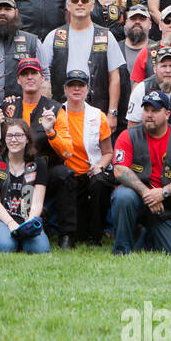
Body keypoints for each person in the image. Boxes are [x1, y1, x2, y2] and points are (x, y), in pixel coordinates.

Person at [110, 89, 171, 254]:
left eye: (155, 110)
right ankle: (122, 250)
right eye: (146, 110)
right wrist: (147, 193)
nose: (149, 115)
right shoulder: (127, 136)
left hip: (167, 206)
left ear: (167, 114)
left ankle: (144, 236)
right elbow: (119, 170)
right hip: (137, 198)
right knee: (123, 196)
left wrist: (163, 193)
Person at [41, 68, 113, 244]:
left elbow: (108, 152)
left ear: (87, 89)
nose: (76, 89)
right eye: (71, 85)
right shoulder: (56, 113)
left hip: (90, 173)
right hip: (68, 177)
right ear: (64, 89)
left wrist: (100, 167)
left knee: (100, 182)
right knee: (79, 231)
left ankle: (96, 236)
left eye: (80, 86)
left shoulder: (98, 116)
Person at [39, 0, 123, 122]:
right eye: (75, 0)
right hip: (61, 111)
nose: (79, 3)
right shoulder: (54, 36)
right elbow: (43, 77)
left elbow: (115, 77)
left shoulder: (106, 36)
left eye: (84, 0)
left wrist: (112, 113)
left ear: (92, 5)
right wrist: (45, 108)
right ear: (67, 5)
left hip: (97, 111)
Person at [0, 118, 49, 253]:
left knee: (40, 250)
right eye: (10, 135)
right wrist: (11, 224)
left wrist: (28, 225)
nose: (14, 140)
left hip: (26, 218)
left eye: (19, 135)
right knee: (6, 247)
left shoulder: (39, 164)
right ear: (4, 139)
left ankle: (18, 240)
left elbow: (37, 203)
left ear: (27, 139)